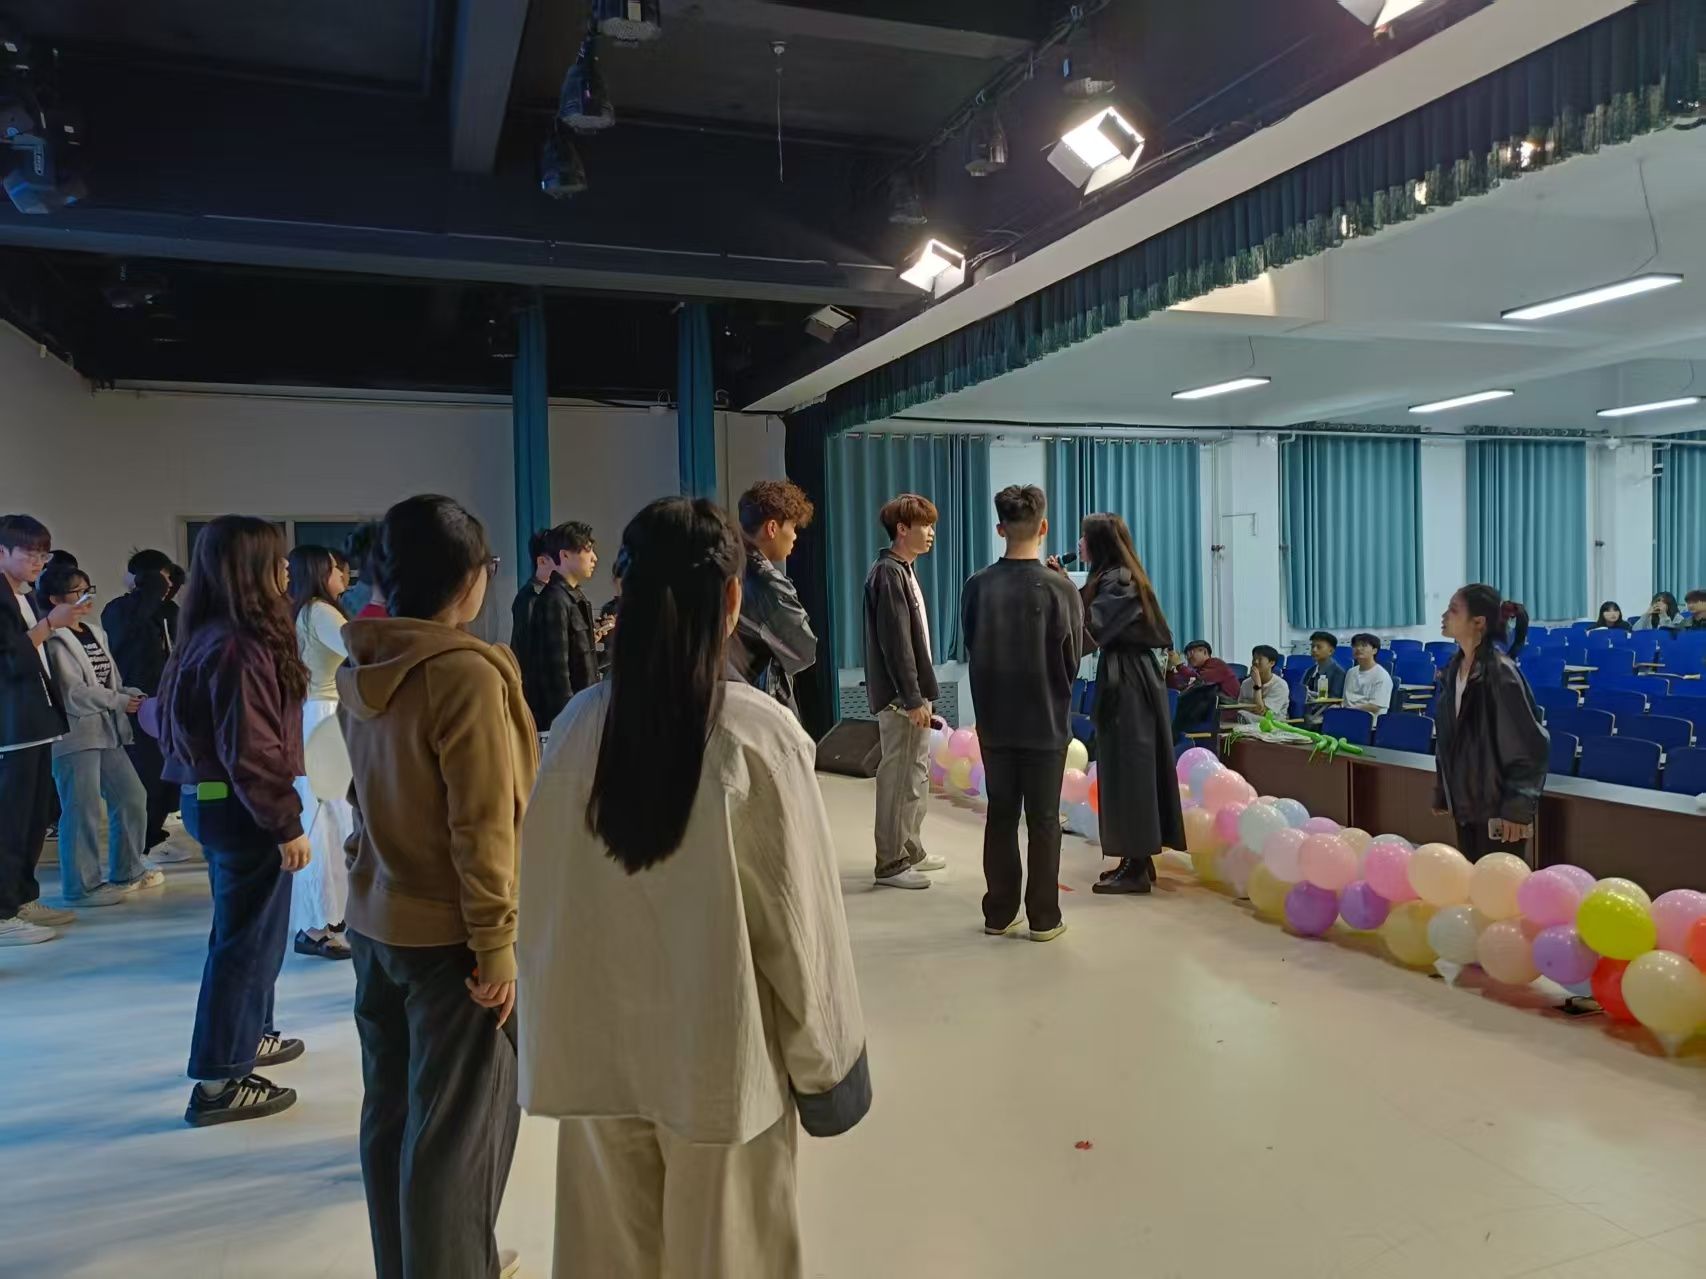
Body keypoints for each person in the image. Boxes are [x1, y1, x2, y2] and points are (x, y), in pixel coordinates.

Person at [518, 496, 869, 1279]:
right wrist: (827, 1066)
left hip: (598, 1060)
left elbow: (539, 906)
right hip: (723, 1068)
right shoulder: (757, 735)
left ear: (624, 593)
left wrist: (545, 1031)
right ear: (733, 599)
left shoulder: (575, 728)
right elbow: (800, 925)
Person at [340, 495, 536, 1279]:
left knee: (392, 1117)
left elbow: (361, 797)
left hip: (375, 921)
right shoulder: (462, 671)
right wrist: (496, 944)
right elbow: (481, 823)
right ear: (468, 578)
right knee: (456, 1137)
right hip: (450, 937)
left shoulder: (364, 660)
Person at [157, 516, 311, 1126]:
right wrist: (285, 822)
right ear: (251, 569)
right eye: (277, 561)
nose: (286, 572)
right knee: (245, 944)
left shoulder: (210, 634)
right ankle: (220, 1081)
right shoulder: (237, 647)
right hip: (243, 809)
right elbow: (252, 749)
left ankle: (248, 1038)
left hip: (219, 802)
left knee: (245, 935)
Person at [962, 485, 1082, 942]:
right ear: (1044, 526)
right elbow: (1072, 658)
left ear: (1000, 529)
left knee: (1001, 815)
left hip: (995, 720)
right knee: (1044, 821)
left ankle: (998, 913)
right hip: (1046, 720)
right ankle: (1044, 918)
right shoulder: (1060, 588)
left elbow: (972, 644)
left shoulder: (977, 585)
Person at [41, 561, 160, 907]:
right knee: (82, 810)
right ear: (55, 599)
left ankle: (128, 871)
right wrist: (118, 700)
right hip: (74, 735)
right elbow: (72, 693)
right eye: (76, 593)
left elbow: (111, 681)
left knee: (132, 797)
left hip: (107, 730)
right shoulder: (52, 639)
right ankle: (81, 887)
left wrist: (129, 695)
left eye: (87, 590)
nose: (85, 598)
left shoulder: (94, 631)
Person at [1080, 512, 1186, 895]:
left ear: (1100, 543)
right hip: (1124, 674)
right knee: (1125, 767)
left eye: (1084, 538)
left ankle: (1137, 865)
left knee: (1132, 769)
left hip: (1129, 680)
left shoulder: (1119, 581)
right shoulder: (1113, 577)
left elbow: (1090, 627)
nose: (1079, 545)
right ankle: (1136, 857)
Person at [0, 515, 87, 945]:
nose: (38, 561)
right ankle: (2, 913)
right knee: (10, 820)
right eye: (29, 553)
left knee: (35, 817)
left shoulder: (24, 596)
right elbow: (10, 659)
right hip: (11, 725)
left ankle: (21, 897)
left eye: (42, 554)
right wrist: (50, 624)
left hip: (35, 722)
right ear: (2, 552)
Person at [864, 493, 946, 891]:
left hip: (913, 693)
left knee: (915, 772)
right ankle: (891, 862)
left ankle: (910, 848)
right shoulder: (888, 574)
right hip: (901, 698)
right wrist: (911, 698)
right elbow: (896, 644)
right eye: (924, 526)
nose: (930, 533)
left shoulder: (904, 570)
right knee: (898, 776)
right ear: (902, 529)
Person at [1433, 584, 1548, 863]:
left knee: (1498, 887)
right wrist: (1443, 791)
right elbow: (1451, 739)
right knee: (1471, 882)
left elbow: (1530, 745)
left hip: (1499, 809)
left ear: (1478, 622)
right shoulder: (1453, 670)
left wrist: (1517, 810)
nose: (1444, 615)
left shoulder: (1500, 672)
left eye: (1453, 610)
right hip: (1467, 803)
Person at [103, 547, 194, 861]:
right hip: (136, 702)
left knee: (167, 775)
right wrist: (151, 594)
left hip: (168, 702)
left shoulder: (169, 611)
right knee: (147, 774)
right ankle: (140, 845)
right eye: (161, 579)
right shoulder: (119, 610)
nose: (166, 586)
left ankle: (154, 836)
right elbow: (125, 641)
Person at [287, 545, 355, 960]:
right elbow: (360, 652)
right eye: (334, 569)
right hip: (326, 716)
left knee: (324, 818)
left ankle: (322, 921)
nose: (342, 575)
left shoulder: (302, 611)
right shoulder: (321, 611)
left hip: (314, 715)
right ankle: (318, 925)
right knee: (328, 821)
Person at [733, 479, 818, 718]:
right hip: (763, 700)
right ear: (772, 528)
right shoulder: (768, 582)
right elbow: (805, 649)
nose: (795, 537)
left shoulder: (728, 566)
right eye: (793, 527)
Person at [510, 521, 605, 731]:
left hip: (583, 712)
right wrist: (570, 722)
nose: (594, 558)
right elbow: (557, 674)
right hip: (568, 719)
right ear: (565, 555)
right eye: (587, 549)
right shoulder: (551, 600)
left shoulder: (573, 597)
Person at [1166, 639, 1240, 699]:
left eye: (1191, 653)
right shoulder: (1197, 670)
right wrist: (1169, 670)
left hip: (1225, 708)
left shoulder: (1216, 663)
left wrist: (1179, 665)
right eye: (1187, 655)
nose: (1189, 658)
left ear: (1204, 652)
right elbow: (1179, 687)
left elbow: (1199, 681)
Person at [1344, 633, 1394, 719]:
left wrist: (1349, 710)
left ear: (1374, 651)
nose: (1358, 648)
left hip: (1369, 719)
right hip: (1348, 715)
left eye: (1363, 645)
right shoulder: (1351, 672)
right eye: (1355, 646)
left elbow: (1374, 707)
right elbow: (1346, 700)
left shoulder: (1381, 675)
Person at [1304, 630, 1346, 725]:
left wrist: (1314, 698)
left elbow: (1334, 699)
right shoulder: (1310, 670)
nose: (1314, 650)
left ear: (1330, 651)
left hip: (1323, 714)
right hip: (1308, 709)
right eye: (1312, 646)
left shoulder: (1338, 672)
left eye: (1319, 647)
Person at [1241, 644, 1291, 720]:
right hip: (1248, 721)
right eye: (1254, 659)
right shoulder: (1246, 683)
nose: (1255, 662)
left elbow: (1261, 711)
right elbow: (1240, 706)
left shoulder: (1280, 685)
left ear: (1271, 663)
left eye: (1260, 659)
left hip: (1273, 723)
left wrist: (1257, 685)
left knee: (1242, 715)